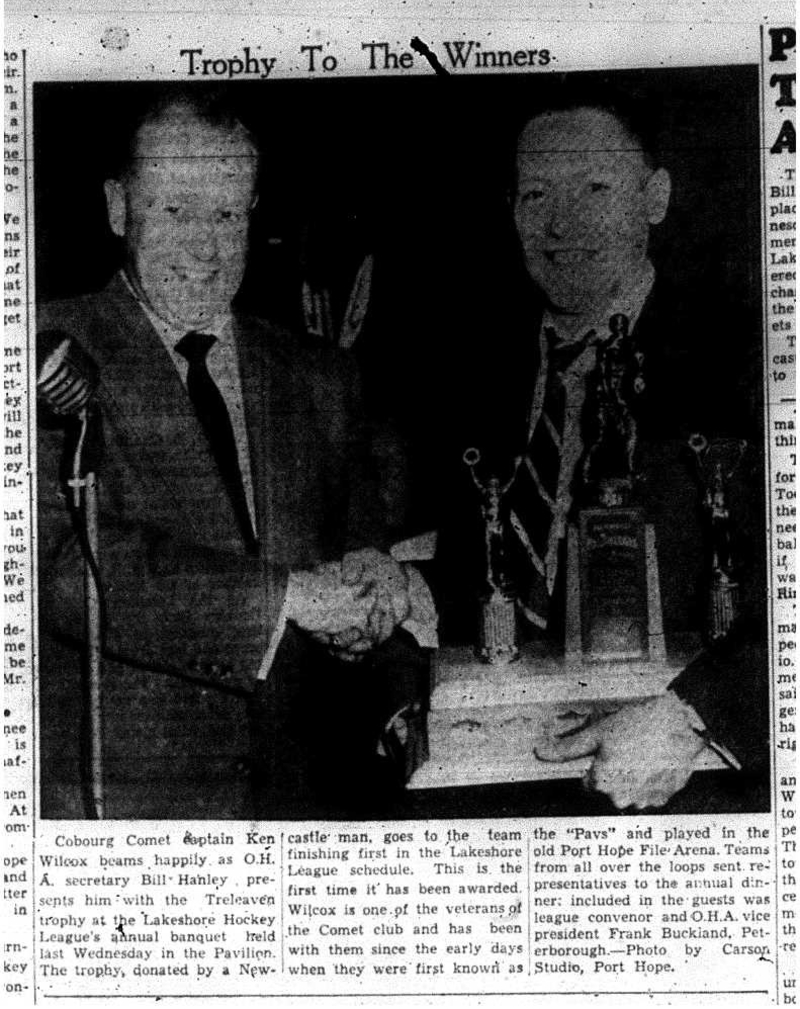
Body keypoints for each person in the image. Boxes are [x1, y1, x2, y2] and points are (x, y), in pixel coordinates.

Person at [37, 93, 430, 820]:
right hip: (126, 818)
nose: (205, 248)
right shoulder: (46, 354)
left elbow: (358, 567)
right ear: (119, 208)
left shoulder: (317, 375)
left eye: (225, 215)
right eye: (176, 211)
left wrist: (381, 608)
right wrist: (289, 599)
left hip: (301, 815)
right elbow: (56, 568)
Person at [476, 100, 766, 809]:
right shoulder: (477, 366)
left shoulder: (750, 359)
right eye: (536, 195)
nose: (561, 224)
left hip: (690, 784)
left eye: (595, 188)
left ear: (654, 198)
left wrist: (697, 715)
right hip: (503, 780)